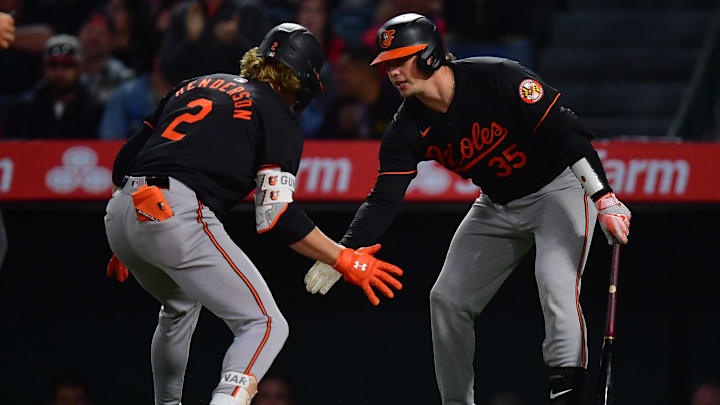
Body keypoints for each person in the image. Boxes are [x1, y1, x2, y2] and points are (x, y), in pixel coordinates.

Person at [303, 13, 631, 405]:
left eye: (401, 59)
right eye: (387, 63)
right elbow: (384, 197)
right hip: (496, 204)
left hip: (557, 188)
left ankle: (568, 394)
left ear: (428, 55)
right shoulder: (406, 126)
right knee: (447, 299)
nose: (392, 72)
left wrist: (604, 197)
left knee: (555, 284)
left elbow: (567, 131)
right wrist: (343, 251)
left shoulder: (497, 77)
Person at [104, 23, 403, 405]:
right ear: (304, 80)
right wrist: (343, 258)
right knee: (264, 324)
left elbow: (123, 162)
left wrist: (130, 237)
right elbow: (276, 216)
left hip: (122, 212)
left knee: (177, 307)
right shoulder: (275, 112)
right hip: (174, 213)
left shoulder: (197, 83)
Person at [3, 34, 103, 139]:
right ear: (43, 68)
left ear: (80, 68)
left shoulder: (95, 110)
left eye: (68, 65)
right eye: (53, 65)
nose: (59, 72)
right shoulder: (23, 109)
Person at [159, 0, 268, 83]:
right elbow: (168, 71)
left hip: (236, 92)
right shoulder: (184, 14)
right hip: (192, 94)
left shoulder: (248, 10)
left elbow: (264, 68)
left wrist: (235, 41)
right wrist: (190, 41)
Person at [319, 44, 401, 139]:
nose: (337, 77)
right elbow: (321, 147)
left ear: (364, 69)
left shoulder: (399, 103)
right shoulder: (338, 109)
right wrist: (343, 130)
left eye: (344, 69)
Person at [78, 12, 135, 103]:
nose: (94, 37)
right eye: (89, 31)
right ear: (79, 35)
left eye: (101, 33)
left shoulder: (124, 77)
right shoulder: (66, 69)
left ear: (112, 41)